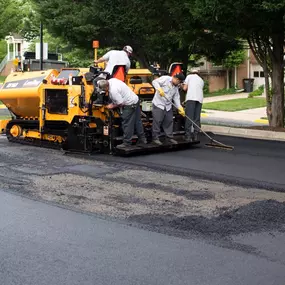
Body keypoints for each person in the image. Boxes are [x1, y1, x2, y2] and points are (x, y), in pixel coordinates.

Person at [97, 78, 147, 149]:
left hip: (129, 104)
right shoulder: (112, 80)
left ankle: (127, 143)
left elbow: (120, 103)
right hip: (135, 100)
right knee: (137, 122)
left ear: (106, 87)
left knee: (126, 123)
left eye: (104, 90)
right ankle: (142, 140)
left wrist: (112, 106)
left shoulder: (113, 91)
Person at [151, 72, 185, 145]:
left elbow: (176, 98)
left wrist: (179, 107)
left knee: (169, 121)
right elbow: (154, 82)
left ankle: (169, 138)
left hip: (168, 106)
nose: (179, 83)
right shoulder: (165, 79)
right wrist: (159, 89)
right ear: (175, 78)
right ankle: (155, 138)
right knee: (157, 121)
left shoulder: (176, 87)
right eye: (179, 81)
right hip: (159, 104)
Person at [183, 69, 204, 142]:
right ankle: (195, 135)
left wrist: (181, 86)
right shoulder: (201, 80)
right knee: (196, 117)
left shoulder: (189, 76)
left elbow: (185, 88)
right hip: (200, 99)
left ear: (191, 72)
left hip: (191, 98)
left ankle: (188, 135)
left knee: (189, 117)